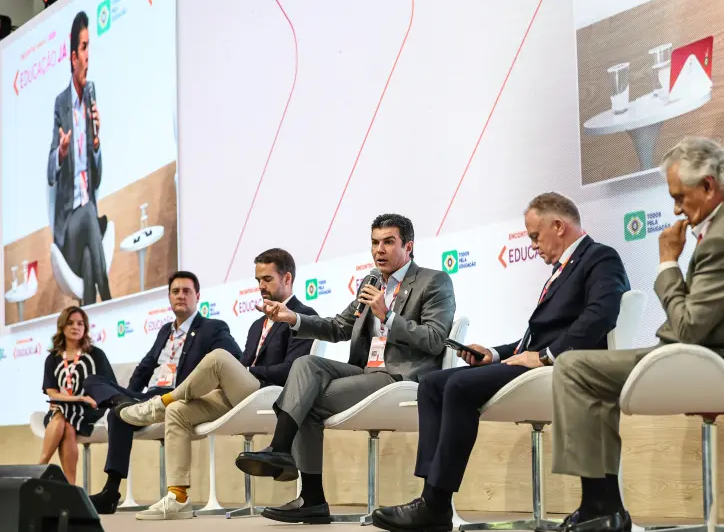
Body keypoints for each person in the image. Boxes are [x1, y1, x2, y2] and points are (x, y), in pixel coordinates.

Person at [539, 137, 724, 532]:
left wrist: (666, 262)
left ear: (708, 186)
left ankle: (601, 508)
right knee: (588, 369)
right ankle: (603, 509)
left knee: (574, 367)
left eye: (679, 197)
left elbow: (688, 327)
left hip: (720, 363)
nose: (676, 209)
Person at [371, 193, 631, 532]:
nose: (533, 246)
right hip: (539, 363)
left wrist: (544, 356)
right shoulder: (562, 270)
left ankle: (435, 504)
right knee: (433, 384)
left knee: (459, 386)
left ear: (558, 226)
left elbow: (600, 315)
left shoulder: (599, 257)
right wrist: (493, 354)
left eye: (535, 236)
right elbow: (533, 340)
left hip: (567, 367)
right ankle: (432, 500)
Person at [235, 213, 456, 524]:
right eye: (375, 243)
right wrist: (292, 318)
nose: (379, 250)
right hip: (367, 372)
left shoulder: (433, 281)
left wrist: (388, 317)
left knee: (307, 401)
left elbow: (435, 339)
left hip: (400, 378)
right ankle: (281, 451)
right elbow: (339, 327)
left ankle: (310, 495)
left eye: (388, 242)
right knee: (306, 364)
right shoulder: (372, 282)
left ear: (408, 246)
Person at [115, 249, 319, 520]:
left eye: (267, 279)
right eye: (258, 280)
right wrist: (238, 374)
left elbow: (295, 370)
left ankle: (159, 404)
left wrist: (248, 371)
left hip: (272, 396)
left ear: (288, 278)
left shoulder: (303, 315)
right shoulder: (257, 324)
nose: (261, 286)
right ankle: (178, 498)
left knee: (220, 358)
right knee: (178, 412)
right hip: (242, 395)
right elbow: (244, 364)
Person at [82, 271, 242, 514]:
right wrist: (130, 395)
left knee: (117, 415)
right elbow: (144, 369)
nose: (180, 296)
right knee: (93, 381)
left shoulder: (212, 328)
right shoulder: (165, 330)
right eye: (175, 291)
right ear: (169, 297)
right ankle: (124, 405)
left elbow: (232, 360)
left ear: (198, 296)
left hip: (180, 396)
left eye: (186, 291)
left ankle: (111, 489)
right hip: (149, 397)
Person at [47, 11, 110, 304]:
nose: (88, 56)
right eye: (84, 48)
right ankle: (107, 294)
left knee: (89, 258)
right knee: (86, 212)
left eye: (89, 48)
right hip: (69, 230)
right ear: (73, 57)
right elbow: (50, 173)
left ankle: (92, 312)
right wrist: (60, 154)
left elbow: (97, 178)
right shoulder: (61, 104)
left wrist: (96, 144)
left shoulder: (90, 100)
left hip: (88, 230)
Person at [40, 306, 115, 484]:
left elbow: (109, 385)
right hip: (62, 407)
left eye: (80, 323)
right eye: (70, 323)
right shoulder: (53, 358)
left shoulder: (96, 355)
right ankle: (70, 486)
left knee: (63, 415)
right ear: (62, 326)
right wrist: (77, 398)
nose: (76, 327)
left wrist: (90, 400)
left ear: (85, 327)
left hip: (88, 409)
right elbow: (51, 392)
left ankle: (40, 466)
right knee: (66, 421)